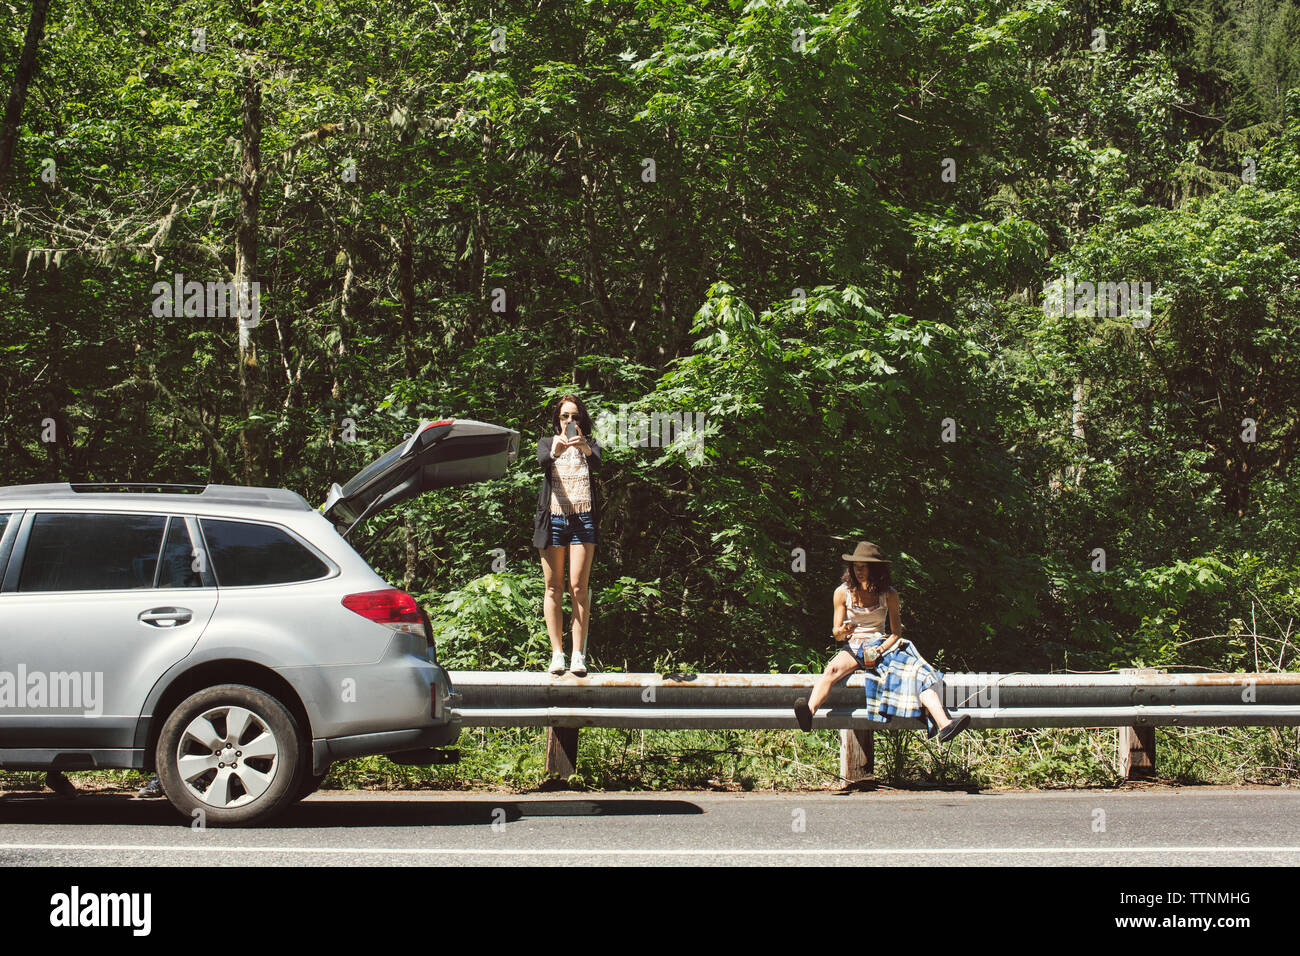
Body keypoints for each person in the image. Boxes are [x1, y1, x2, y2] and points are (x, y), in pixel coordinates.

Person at [794, 541, 970, 741]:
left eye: (863, 567)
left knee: (915, 675)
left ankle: (945, 724)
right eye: (855, 567)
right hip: (853, 646)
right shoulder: (841, 592)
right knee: (831, 671)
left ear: (875, 570)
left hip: (880, 645)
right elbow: (836, 633)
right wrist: (843, 630)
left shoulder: (889, 594)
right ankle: (809, 713)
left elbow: (896, 633)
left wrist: (879, 650)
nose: (858, 571)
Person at [532, 394, 602, 676]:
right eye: (565, 416)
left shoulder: (591, 444)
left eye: (575, 416)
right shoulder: (548, 443)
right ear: (557, 419)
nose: (570, 421)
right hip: (553, 520)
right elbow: (541, 462)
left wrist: (584, 446)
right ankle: (557, 653)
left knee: (578, 588)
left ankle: (578, 655)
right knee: (553, 588)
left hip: (582, 521)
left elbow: (598, 463)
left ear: (581, 419)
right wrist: (557, 451)